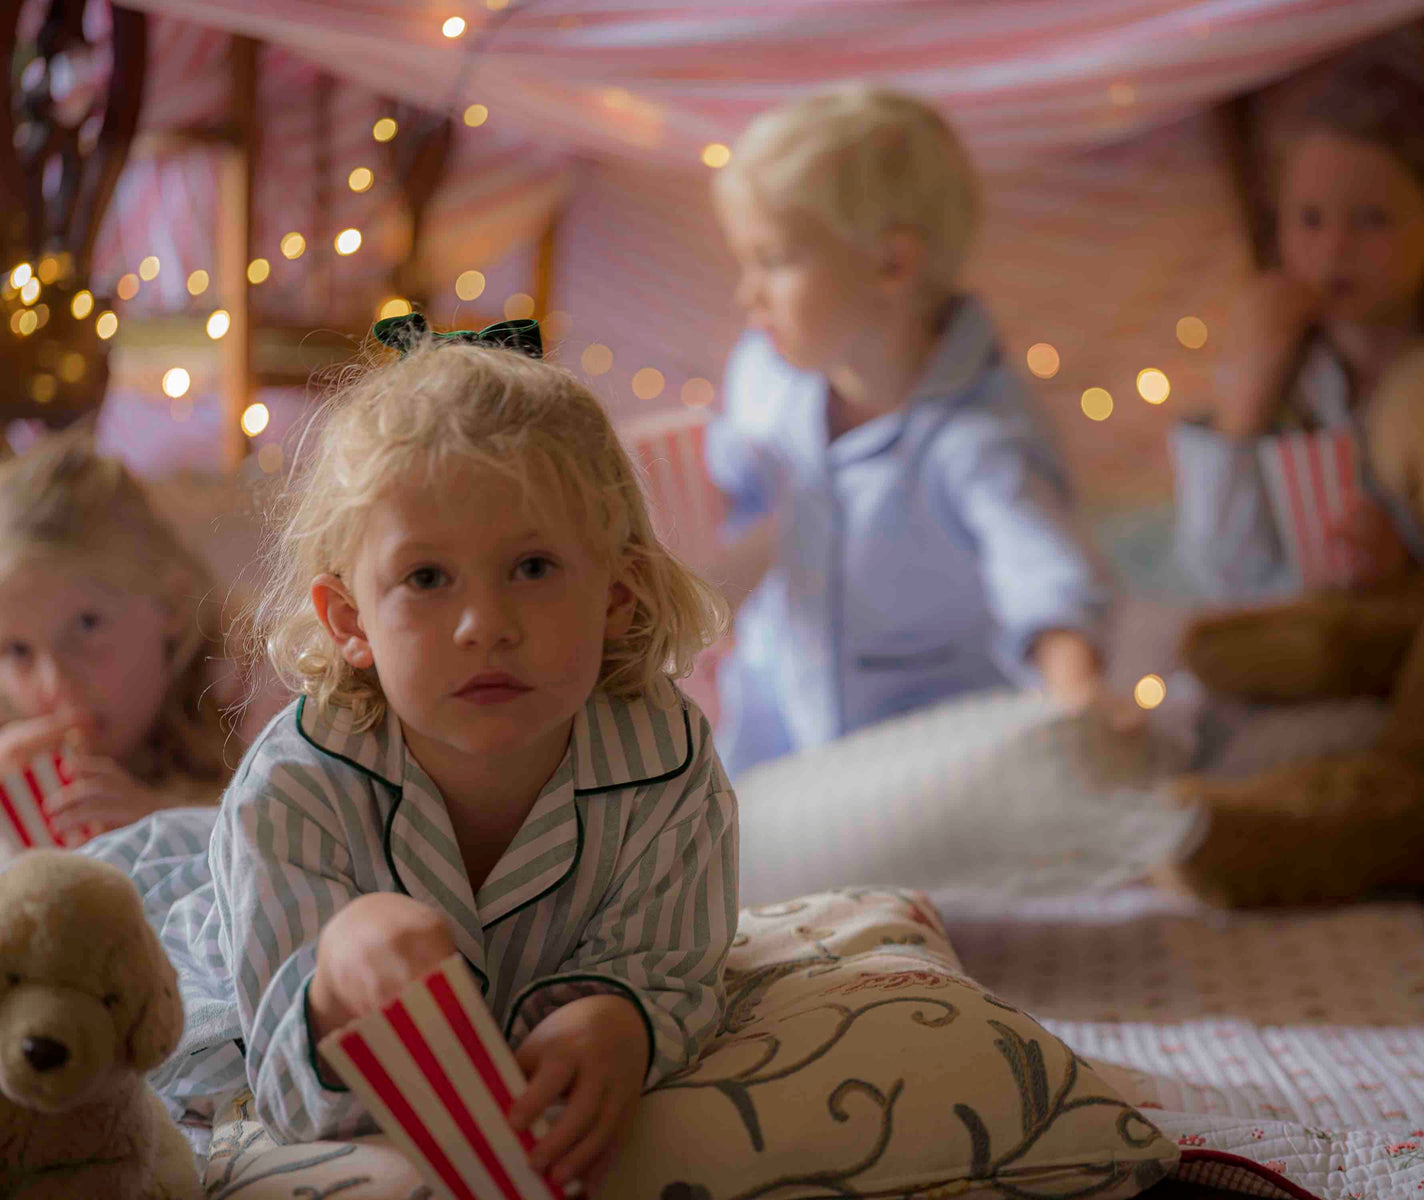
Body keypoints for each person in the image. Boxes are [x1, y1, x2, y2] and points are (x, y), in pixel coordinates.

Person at [85, 316, 738, 1191]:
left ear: (616, 597)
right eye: (427, 579)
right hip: (193, 931)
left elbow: (672, 961)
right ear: (350, 621)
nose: (486, 625)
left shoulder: (666, 762)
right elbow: (280, 1085)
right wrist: (339, 967)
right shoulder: (293, 793)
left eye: (534, 566)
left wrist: (620, 1017)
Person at [706, 85, 1115, 779]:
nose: (749, 294)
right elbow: (733, 499)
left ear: (891, 264)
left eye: (773, 262)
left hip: (929, 767)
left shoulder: (976, 437)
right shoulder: (765, 380)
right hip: (774, 740)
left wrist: (1079, 695)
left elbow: (1045, 575)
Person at [1170, 63, 1424, 601]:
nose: (1333, 251)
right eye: (1309, 220)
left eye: (1372, 220)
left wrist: (1408, 564)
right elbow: (1219, 575)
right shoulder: (1288, 385)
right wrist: (1243, 402)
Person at [0, 428, 237, 844]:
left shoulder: (247, 705)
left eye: (86, 625)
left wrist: (166, 825)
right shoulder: (13, 764)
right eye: (18, 650)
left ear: (173, 605)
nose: (55, 684)